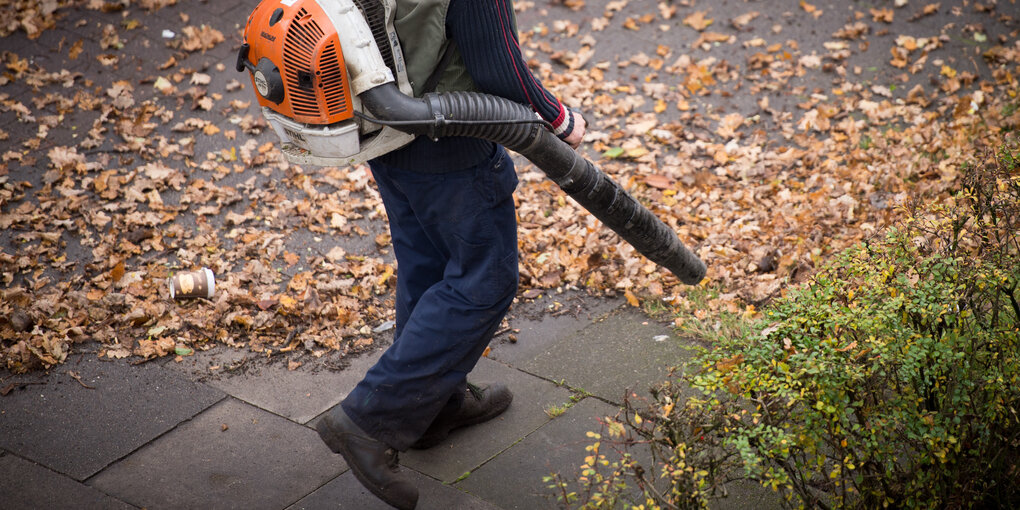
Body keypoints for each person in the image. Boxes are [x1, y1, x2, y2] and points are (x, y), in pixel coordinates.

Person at [315, 0, 585, 508]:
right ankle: (368, 420)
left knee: (428, 267)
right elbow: (497, 68)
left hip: (387, 132)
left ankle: (432, 410)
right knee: (484, 282)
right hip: (451, 141)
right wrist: (559, 117)